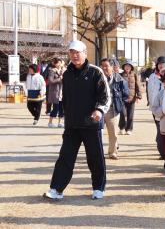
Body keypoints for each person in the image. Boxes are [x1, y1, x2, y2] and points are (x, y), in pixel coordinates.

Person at [43, 40, 110, 200]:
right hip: (72, 125)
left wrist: (99, 110)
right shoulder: (66, 74)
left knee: (95, 157)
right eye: (71, 52)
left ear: (85, 53)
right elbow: (65, 98)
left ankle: (98, 187)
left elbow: (105, 97)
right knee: (65, 157)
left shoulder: (96, 72)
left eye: (77, 52)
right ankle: (56, 189)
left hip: (91, 124)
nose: (74, 55)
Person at [100, 58, 129, 160]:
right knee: (97, 133)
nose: (104, 68)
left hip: (113, 109)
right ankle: (97, 153)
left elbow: (126, 94)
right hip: (99, 109)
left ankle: (112, 152)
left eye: (106, 66)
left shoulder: (120, 79)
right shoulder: (97, 78)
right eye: (102, 66)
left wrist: (118, 100)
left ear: (112, 67)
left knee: (113, 133)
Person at [148, 56, 165, 160]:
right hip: (155, 108)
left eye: (163, 63)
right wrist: (151, 105)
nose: (161, 65)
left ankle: (164, 152)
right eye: (159, 63)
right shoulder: (152, 76)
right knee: (160, 129)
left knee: (163, 131)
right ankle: (162, 151)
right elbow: (150, 91)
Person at [119, 59, 142, 135]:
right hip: (122, 98)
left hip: (132, 98)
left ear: (131, 67)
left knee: (130, 115)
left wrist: (139, 96)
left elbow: (138, 85)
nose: (127, 67)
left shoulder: (134, 75)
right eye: (126, 66)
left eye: (129, 66)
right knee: (123, 114)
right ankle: (122, 127)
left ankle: (129, 129)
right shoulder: (120, 75)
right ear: (124, 67)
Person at [48, 58, 65, 128]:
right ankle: (50, 122)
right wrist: (60, 78)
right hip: (55, 92)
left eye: (60, 62)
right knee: (55, 108)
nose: (59, 64)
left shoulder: (63, 71)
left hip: (62, 92)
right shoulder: (52, 71)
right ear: (55, 64)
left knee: (62, 109)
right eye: (57, 63)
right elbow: (51, 81)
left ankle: (60, 122)